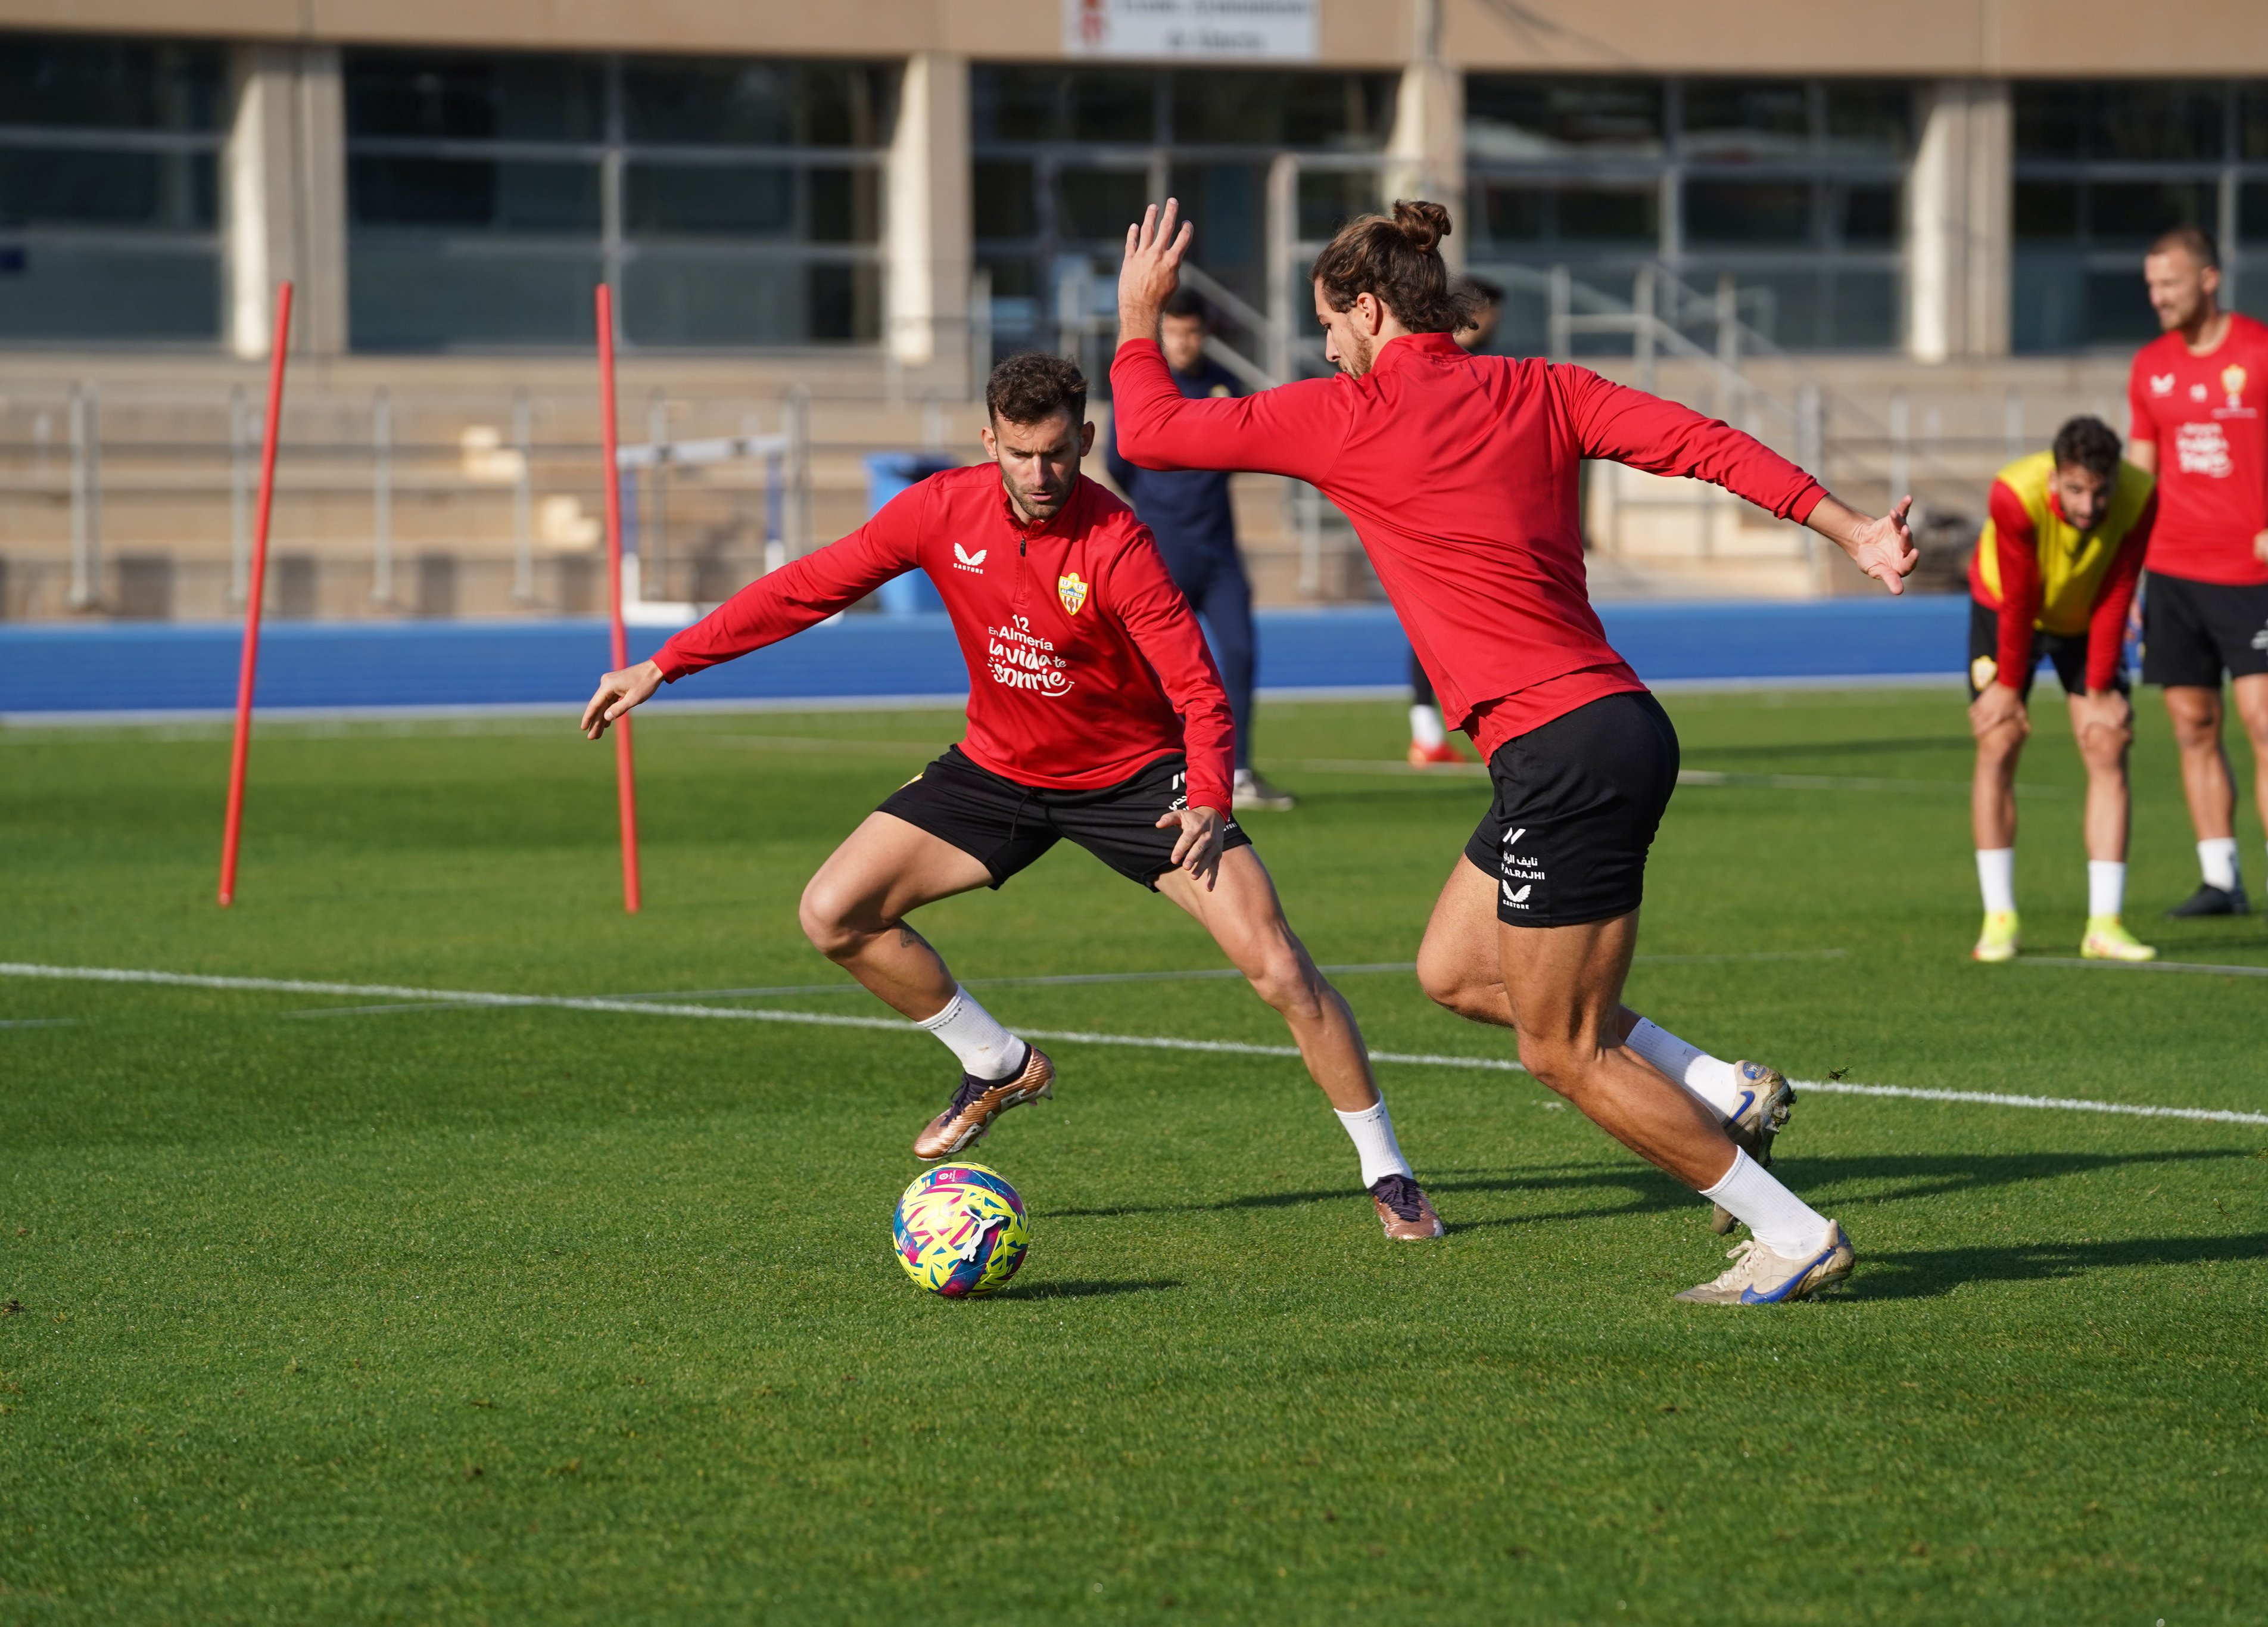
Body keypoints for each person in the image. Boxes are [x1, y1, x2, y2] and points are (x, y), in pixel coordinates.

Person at [1113, 198, 1920, 1304]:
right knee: (1452, 970)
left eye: (1330, 326)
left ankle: (1789, 1232)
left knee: (1561, 1051)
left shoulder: (1337, 416)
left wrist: (1135, 317)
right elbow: (1704, 444)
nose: (1327, 347)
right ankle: (1718, 1084)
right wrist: (1854, 530)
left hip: (1562, 753)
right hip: (1608, 728)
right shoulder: (1541, 386)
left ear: (1366, 309)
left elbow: (1152, 431)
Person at [580, 353, 1445, 1243]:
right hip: (998, 768)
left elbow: (1199, 689)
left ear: (1088, 441)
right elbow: (808, 586)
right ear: (989, 440)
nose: (1041, 476)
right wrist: (663, 662)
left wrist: (1210, 797)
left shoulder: (1119, 544)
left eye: (1061, 453)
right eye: (1023, 454)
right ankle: (995, 1061)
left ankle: (1391, 1173)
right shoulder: (938, 509)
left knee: (1279, 967)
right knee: (834, 911)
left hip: (1138, 780)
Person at [2126, 226, 2268, 927]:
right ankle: (2218, 877)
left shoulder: (2267, 352)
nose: (2156, 297)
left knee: (2266, 724)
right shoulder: (2149, 367)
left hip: (2247, 574)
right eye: (2149, 286)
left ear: (2207, 280)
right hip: (2169, 574)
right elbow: (2138, 477)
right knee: (2194, 727)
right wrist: (2127, 578)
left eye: (2167, 284)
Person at [1966, 416, 2157, 965]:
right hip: (2006, 607)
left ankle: (2105, 922)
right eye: (2075, 489)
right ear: (2055, 480)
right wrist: (2007, 684)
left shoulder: (2142, 495)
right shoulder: (2014, 494)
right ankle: (2000, 918)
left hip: (2087, 613)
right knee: (1998, 737)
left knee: (2107, 741)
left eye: (2101, 492)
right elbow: (2023, 594)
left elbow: (2121, 582)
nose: (2089, 506)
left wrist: (2099, 688)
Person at [1102, 288, 1297, 810]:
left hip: (1219, 555)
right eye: (1176, 331)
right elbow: (1118, 462)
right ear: (1161, 334)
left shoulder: (1223, 383)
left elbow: (1237, 448)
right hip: (1161, 555)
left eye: (1193, 332)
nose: (1185, 341)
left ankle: (1240, 771)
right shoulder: (1143, 386)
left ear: (1205, 333)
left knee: (1238, 653)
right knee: (1153, 669)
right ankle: (1147, 771)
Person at [1404, 275, 1506, 769]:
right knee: (1436, 629)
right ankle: (1429, 734)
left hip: (1470, 513)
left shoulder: (1486, 365)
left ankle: (1436, 734)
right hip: (1441, 517)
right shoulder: (1439, 366)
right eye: (1492, 313)